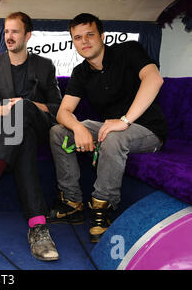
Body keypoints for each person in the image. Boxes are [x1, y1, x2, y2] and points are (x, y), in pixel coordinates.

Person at [47, 13, 167, 243]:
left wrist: (125, 120)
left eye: (90, 35)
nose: (84, 41)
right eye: (78, 37)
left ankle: (102, 209)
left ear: (102, 36)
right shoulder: (81, 72)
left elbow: (154, 79)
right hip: (110, 126)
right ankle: (72, 203)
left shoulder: (128, 51)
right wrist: (79, 129)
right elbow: (63, 113)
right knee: (59, 133)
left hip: (146, 129)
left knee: (113, 138)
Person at [0, 12, 62, 261]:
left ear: (27, 35)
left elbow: (58, 108)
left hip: (38, 125)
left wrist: (27, 105)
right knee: (21, 137)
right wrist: (8, 108)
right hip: (11, 130)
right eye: (6, 31)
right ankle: (38, 227)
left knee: (25, 109)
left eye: (15, 31)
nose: (9, 36)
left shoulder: (45, 65)